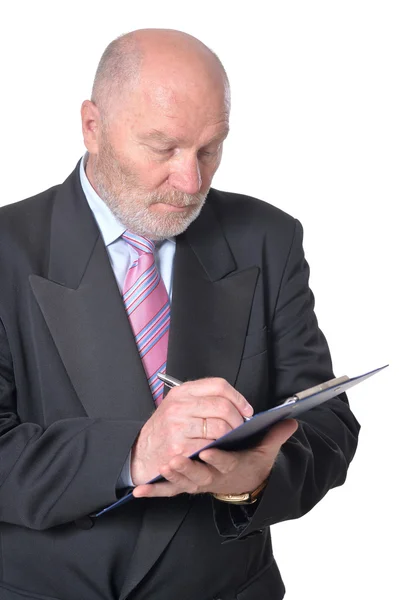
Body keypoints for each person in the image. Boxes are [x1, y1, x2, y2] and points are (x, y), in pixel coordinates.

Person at [0, 29, 359, 600]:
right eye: (163, 147)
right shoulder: (7, 249)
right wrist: (135, 453)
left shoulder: (268, 238)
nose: (191, 182)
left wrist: (255, 479)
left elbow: (330, 426)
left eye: (210, 148)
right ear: (92, 127)